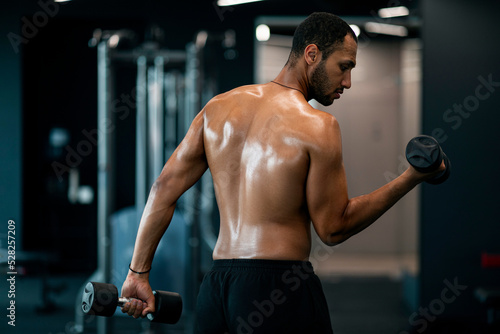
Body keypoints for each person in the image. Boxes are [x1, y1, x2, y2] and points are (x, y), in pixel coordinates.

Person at [120, 12, 445, 333]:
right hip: (276, 290)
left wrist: (137, 273)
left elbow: (163, 188)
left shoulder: (217, 108)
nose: (347, 81)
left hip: (217, 289)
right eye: (344, 67)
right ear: (312, 54)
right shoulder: (319, 125)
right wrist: (411, 177)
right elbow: (334, 228)